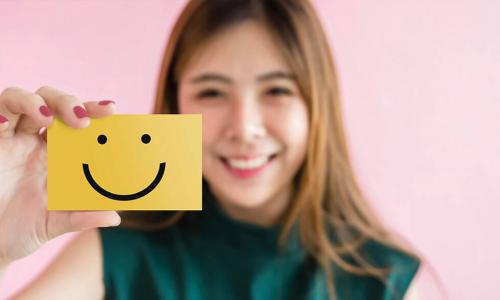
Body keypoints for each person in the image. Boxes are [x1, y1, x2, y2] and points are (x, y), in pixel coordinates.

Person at [0, 0, 421, 299]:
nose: (244, 128)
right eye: (213, 92)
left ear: (318, 105)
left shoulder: (384, 279)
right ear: (175, 101)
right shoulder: (119, 248)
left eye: (276, 89)